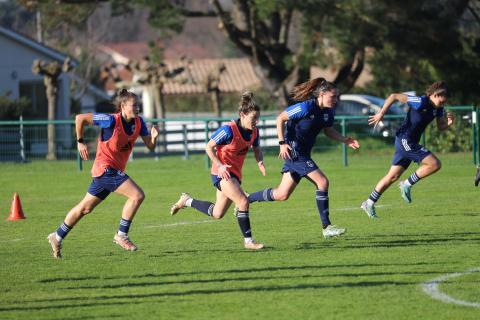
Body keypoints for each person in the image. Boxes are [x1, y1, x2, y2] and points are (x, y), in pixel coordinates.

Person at [47, 89, 159, 258]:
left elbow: (150, 147)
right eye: (134, 105)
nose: (138, 108)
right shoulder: (110, 120)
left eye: (138, 104)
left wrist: (154, 137)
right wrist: (80, 142)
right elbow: (80, 118)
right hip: (105, 169)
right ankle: (121, 235)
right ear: (123, 106)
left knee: (85, 208)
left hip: (111, 172)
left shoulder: (139, 123)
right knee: (137, 196)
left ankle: (57, 236)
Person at [246, 78, 360, 239]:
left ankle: (245, 199)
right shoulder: (305, 107)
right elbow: (280, 118)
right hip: (294, 152)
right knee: (323, 182)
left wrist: (345, 140)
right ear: (321, 94)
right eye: (333, 96)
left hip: (304, 154)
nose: (336, 100)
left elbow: (328, 131)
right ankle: (326, 227)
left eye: (337, 97)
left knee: (282, 194)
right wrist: (282, 143)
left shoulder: (328, 112)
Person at [170, 92, 266, 250]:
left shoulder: (254, 132)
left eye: (257, 118)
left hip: (235, 174)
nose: (256, 121)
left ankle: (186, 200)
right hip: (221, 174)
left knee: (217, 213)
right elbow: (208, 147)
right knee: (242, 201)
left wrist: (260, 161)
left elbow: (256, 148)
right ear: (242, 115)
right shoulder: (228, 130)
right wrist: (220, 166)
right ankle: (249, 241)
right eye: (253, 118)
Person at [361, 81, 454, 218]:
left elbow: (440, 126)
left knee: (392, 176)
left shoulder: (438, 109)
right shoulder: (420, 101)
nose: (443, 104)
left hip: (409, 142)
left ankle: (368, 203)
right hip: (405, 140)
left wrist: (449, 124)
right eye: (441, 101)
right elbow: (394, 96)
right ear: (434, 95)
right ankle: (406, 184)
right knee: (435, 164)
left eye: (444, 103)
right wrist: (381, 113)